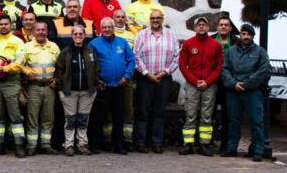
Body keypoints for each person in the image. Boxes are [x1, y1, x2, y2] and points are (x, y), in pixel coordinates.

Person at [221, 23, 269, 162]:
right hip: (233, 91)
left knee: (256, 121)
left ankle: (257, 149)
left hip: (252, 91)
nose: (246, 37)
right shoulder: (230, 52)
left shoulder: (260, 52)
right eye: (243, 34)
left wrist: (247, 84)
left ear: (252, 36)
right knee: (233, 121)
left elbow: (263, 71)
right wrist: (233, 84)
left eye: (249, 34)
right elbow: (225, 70)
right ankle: (232, 148)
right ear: (240, 35)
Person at [132, 9, 178, 153]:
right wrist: (146, 73)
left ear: (162, 19)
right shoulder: (141, 35)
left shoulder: (171, 35)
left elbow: (177, 56)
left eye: (158, 18)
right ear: (149, 20)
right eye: (153, 18)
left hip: (163, 79)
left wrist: (165, 72)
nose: (156, 20)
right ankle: (140, 142)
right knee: (143, 111)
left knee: (159, 112)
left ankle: (157, 142)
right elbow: (136, 56)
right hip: (145, 78)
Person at [89, 17, 136, 154]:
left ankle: (118, 145)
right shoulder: (93, 44)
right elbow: (90, 65)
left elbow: (132, 60)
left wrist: (126, 76)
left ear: (114, 27)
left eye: (110, 27)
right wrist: (97, 80)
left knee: (118, 117)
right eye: (104, 27)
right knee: (98, 117)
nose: (107, 29)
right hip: (103, 87)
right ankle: (96, 145)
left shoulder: (122, 42)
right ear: (100, 29)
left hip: (119, 85)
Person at [0, 14, 27, 158]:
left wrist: (4, 69)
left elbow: (20, 62)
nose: (3, 26)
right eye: (1, 24)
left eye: (6, 24)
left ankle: (19, 145)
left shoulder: (17, 42)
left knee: (15, 115)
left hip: (11, 81)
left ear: (11, 25)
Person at [178, 16, 223, 156]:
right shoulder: (188, 44)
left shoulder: (216, 45)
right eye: (199, 25)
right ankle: (188, 144)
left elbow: (219, 66)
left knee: (206, 116)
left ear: (208, 28)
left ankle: (204, 145)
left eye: (204, 24)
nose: (202, 27)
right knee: (190, 115)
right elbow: (182, 65)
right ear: (195, 28)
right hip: (193, 84)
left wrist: (208, 81)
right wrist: (194, 80)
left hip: (209, 85)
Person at [55, 25, 99, 156]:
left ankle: (82, 144)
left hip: (87, 92)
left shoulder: (90, 52)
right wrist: (60, 91)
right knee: (70, 119)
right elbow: (59, 71)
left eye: (81, 34)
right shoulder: (66, 52)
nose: (78, 36)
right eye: (76, 34)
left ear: (84, 35)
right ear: (72, 35)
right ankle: (69, 145)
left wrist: (95, 88)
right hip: (69, 92)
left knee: (83, 119)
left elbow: (96, 70)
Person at [21, 21, 60, 155]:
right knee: (32, 117)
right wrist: (27, 73)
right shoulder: (27, 47)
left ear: (47, 32)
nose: (41, 32)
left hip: (49, 87)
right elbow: (21, 64)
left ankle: (45, 144)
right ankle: (31, 146)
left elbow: (60, 66)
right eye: (38, 30)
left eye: (43, 30)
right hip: (34, 87)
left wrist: (57, 79)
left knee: (48, 117)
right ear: (34, 32)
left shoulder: (54, 47)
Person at [213, 15, 237, 150]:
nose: (223, 27)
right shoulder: (210, 40)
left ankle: (226, 145)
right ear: (217, 27)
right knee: (209, 114)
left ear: (230, 28)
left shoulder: (236, 42)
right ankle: (206, 144)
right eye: (221, 24)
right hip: (213, 82)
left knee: (228, 115)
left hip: (229, 83)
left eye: (226, 25)